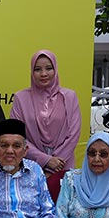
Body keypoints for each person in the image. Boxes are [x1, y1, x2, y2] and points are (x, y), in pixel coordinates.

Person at [9, 50, 81, 200]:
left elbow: (73, 134)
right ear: (31, 72)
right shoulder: (21, 98)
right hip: (29, 167)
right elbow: (17, 137)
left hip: (64, 166)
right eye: (37, 69)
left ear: (55, 69)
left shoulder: (69, 97)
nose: (43, 73)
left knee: (61, 213)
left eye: (49, 68)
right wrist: (46, 160)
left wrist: (57, 163)